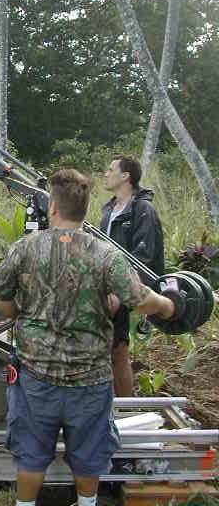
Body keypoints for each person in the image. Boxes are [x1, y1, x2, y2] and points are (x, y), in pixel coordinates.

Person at [0, 169, 176, 506]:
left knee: (31, 453)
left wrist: (20, 313)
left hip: (36, 378)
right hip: (90, 381)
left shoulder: (24, 249)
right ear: (85, 209)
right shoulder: (106, 255)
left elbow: (0, 297)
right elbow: (140, 300)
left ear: (52, 207)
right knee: (89, 452)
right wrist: (168, 305)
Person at [101, 155, 165, 397]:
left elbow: (143, 257)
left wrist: (121, 293)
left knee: (117, 351)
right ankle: (110, 406)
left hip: (122, 289)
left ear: (125, 176)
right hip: (106, 288)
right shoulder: (108, 209)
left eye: (111, 169)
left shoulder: (143, 210)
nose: (106, 174)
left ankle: (123, 408)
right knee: (109, 351)